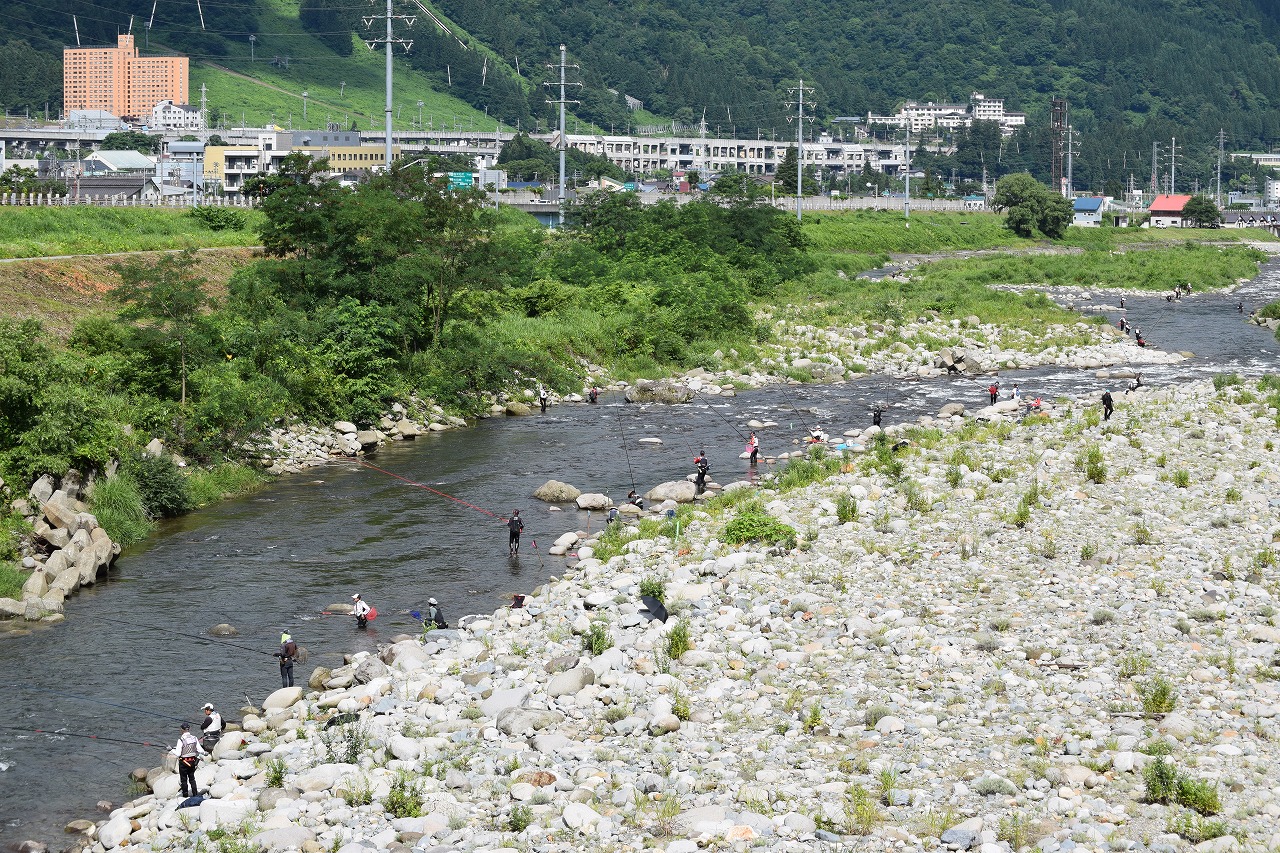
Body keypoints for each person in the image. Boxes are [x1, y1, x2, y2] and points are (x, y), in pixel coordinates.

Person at [172, 722, 206, 799]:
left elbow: (177, 754)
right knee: (192, 778)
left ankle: (185, 795)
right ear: (188, 729)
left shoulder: (181, 740)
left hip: (183, 762)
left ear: (182, 730)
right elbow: (200, 749)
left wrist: (171, 749)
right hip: (192, 762)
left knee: (184, 780)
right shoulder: (194, 738)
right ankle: (195, 794)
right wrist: (204, 752)